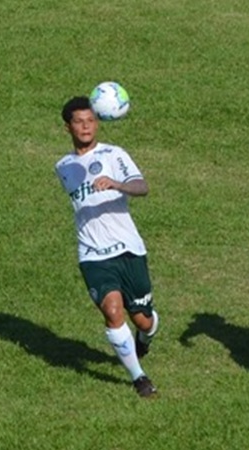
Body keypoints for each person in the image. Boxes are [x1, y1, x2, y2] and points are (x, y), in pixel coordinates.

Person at [54, 96, 160, 398]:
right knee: (113, 311)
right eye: (79, 122)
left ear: (98, 122)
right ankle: (139, 377)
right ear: (68, 127)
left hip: (128, 249)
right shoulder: (62, 167)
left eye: (90, 120)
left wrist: (116, 183)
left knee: (144, 318)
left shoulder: (115, 154)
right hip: (92, 254)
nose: (86, 127)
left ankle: (145, 337)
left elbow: (142, 187)